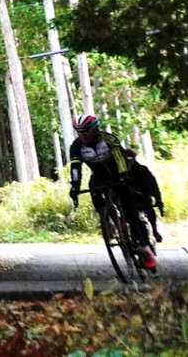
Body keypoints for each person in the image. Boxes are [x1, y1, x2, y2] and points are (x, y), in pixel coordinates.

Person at [67, 113, 158, 268]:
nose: (83, 136)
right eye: (79, 133)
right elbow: (76, 166)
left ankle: (144, 247)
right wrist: (75, 186)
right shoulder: (76, 147)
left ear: (95, 130)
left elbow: (120, 158)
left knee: (130, 210)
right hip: (99, 176)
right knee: (94, 191)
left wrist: (124, 175)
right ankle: (108, 221)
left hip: (119, 174)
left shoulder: (108, 139)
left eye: (86, 132)